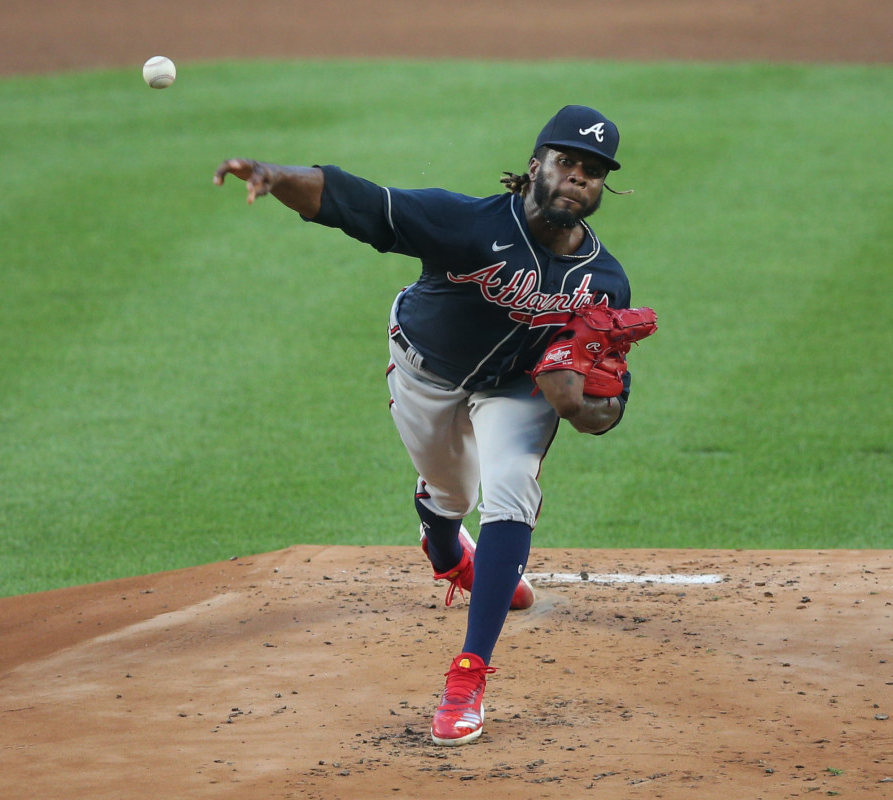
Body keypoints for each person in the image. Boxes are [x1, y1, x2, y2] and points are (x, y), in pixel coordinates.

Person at [214, 105, 651, 746]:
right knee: (452, 494)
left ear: (601, 187)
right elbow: (365, 204)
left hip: (515, 393)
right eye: (565, 162)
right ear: (535, 166)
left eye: (592, 171)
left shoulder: (604, 282)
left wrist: (578, 407)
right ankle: (444, 541)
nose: (576, 178)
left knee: (509, 490)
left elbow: (608, 406)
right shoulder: (468, 224)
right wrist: (276, 175)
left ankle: (468, 675)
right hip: (425, 370)